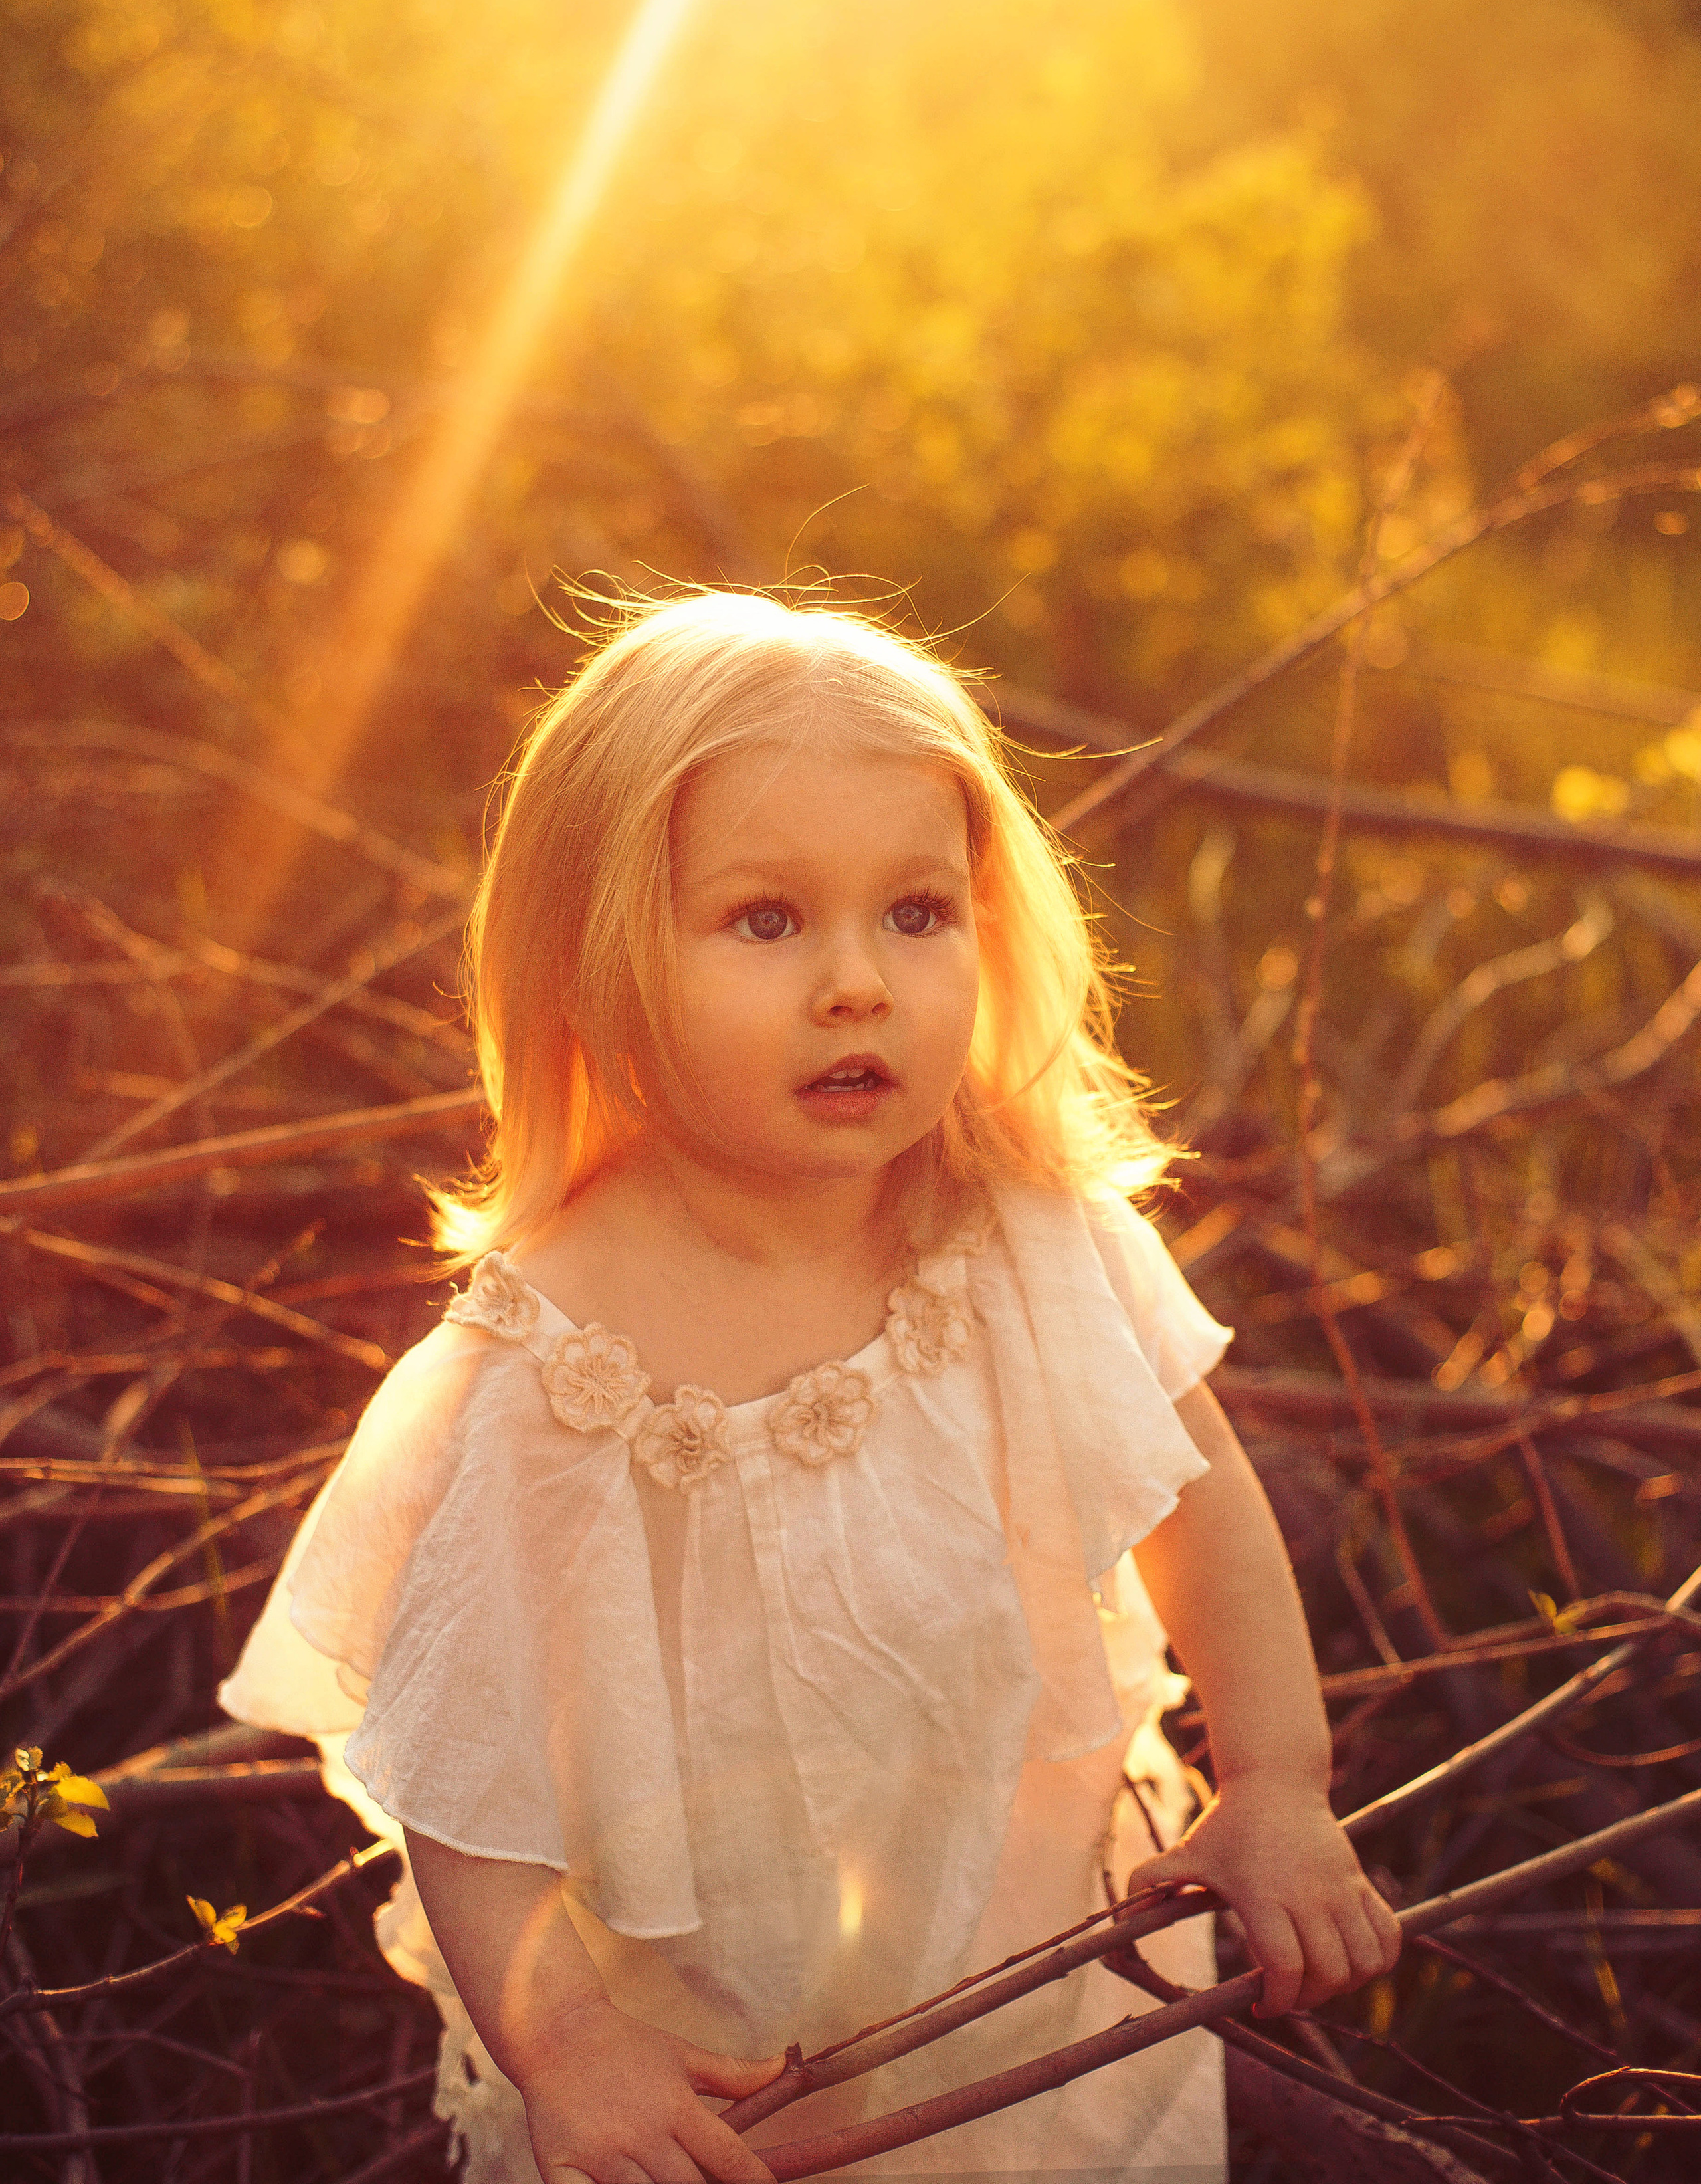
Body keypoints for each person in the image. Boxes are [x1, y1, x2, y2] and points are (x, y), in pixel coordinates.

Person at [221, 589, 1399, 2183]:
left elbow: (1202, 1515)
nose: (858, 985)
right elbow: (466, 1782)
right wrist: (569, 2047)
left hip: (1034, 1979)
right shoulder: (551, 1372)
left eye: (915, 913)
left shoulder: (1026, 1240)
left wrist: (1273, 1783)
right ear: (597, 958)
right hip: (708, 2065)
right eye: (766, 922)